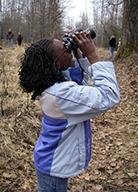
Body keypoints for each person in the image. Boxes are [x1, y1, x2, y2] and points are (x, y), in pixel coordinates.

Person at [19, 31, 120, 192]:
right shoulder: (61, 94)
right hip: (53, 167)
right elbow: (108, 96)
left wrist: (78, 54)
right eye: (66, 49)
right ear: (55, 64)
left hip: (50, 161)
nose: (69, 49)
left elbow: (78, 83)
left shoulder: (52, 86)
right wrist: (93, 56)